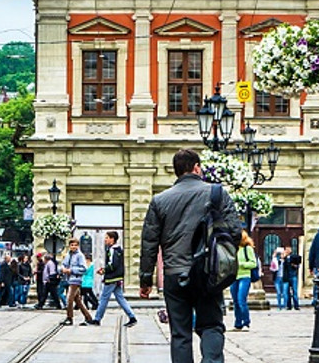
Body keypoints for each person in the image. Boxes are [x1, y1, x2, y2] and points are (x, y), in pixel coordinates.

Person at [138, 148, 238, 363]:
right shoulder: (217, 193)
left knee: (180, 333)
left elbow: (149, 244)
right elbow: (235, 232)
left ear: (176, 171)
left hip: (175, 273)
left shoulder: (159, 200)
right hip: (208, 274)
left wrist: (145, 279)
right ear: (196, 168)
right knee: (211, 325)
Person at [89, 231, 137, 327]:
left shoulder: (112, 250)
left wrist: (103, 270)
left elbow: (113, 265)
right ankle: (132, 317)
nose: (105, 239)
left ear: (112, 239)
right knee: (120, 298)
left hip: (112, 278)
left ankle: (97, 319)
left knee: (103, 298)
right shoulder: (118, 250)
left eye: (107, 238)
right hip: (117, 278)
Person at [60, 237, 94, 325]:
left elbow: (84, 268)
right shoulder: (68, 255)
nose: (73, 247)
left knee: (69, 299)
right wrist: (62, 268)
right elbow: (63, 264)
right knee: (78, 301)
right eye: (72, 245)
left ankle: (69, 318)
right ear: (69, 246)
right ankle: (88, 317)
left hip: (76, 280)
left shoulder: (80, 255)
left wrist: (71, 270)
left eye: (75, 245)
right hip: (69, 280)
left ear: (78, 246)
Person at [231, 232, 258, 331]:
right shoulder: (234, 249)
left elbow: (253, 263)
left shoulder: (248, 249)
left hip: (245, 276)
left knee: (241, 300)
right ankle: (238, 323)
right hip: (234, 277)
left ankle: (246, 322)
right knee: (235, 302)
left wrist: (241, 264)